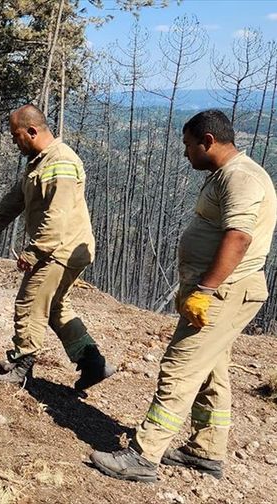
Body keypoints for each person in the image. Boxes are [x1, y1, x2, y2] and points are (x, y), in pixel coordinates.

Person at [90, 110, 276, 482]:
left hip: (226, 292)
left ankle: (144, 457)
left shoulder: (240, 178)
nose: (185, 153)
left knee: (180, 367)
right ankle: (206, 450)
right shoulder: (226, 174)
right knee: (211, 370)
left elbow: (239, 237)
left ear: (208, 141)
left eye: (189, 145)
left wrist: (205, 290)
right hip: (221, 292)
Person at [0, 104, 114, 391]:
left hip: (59, 251)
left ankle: (21, 367)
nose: (13, 140)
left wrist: (34, 252)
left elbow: (56, 217)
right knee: (56, 307)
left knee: (29, 303)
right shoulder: (40, 161)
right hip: (61, 248)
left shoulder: (61, 162)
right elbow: (14, 200)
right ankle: (93, 363)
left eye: (15, 135)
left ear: (32, 131)